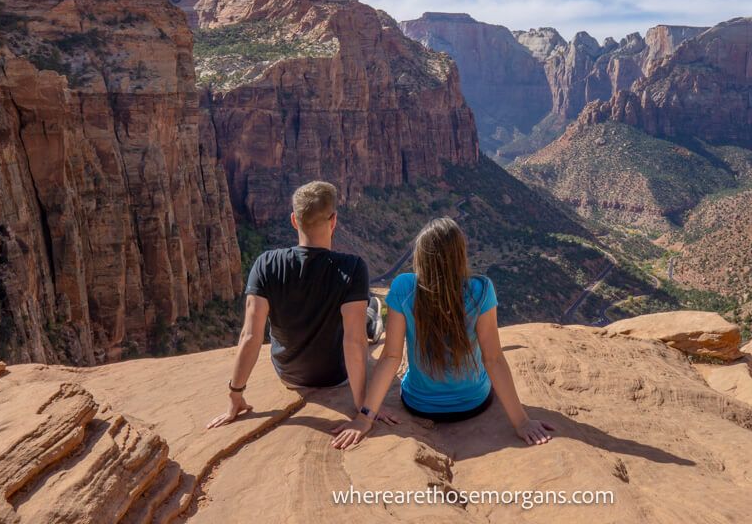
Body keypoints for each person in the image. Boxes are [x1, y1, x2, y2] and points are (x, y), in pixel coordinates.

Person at [330, 217, 554, 449]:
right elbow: (493, 359)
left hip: (419, 404)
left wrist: (365, 417)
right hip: (473, 404)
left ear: (421, 255)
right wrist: (522, 422)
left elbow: (391, 357)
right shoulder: (482, 289)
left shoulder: (404, 287)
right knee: (486, 373)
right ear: (460, 254)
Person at [207, 181, 396, 429]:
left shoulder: (266, 264)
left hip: (289, 374)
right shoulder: (353, 267)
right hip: (336, 377)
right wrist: (363, 403)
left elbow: (250, 336)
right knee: (367, 311)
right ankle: (373, 318)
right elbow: (354, 341)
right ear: (334, 221)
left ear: (294, 221)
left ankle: (371, 315)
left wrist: (235, 395)